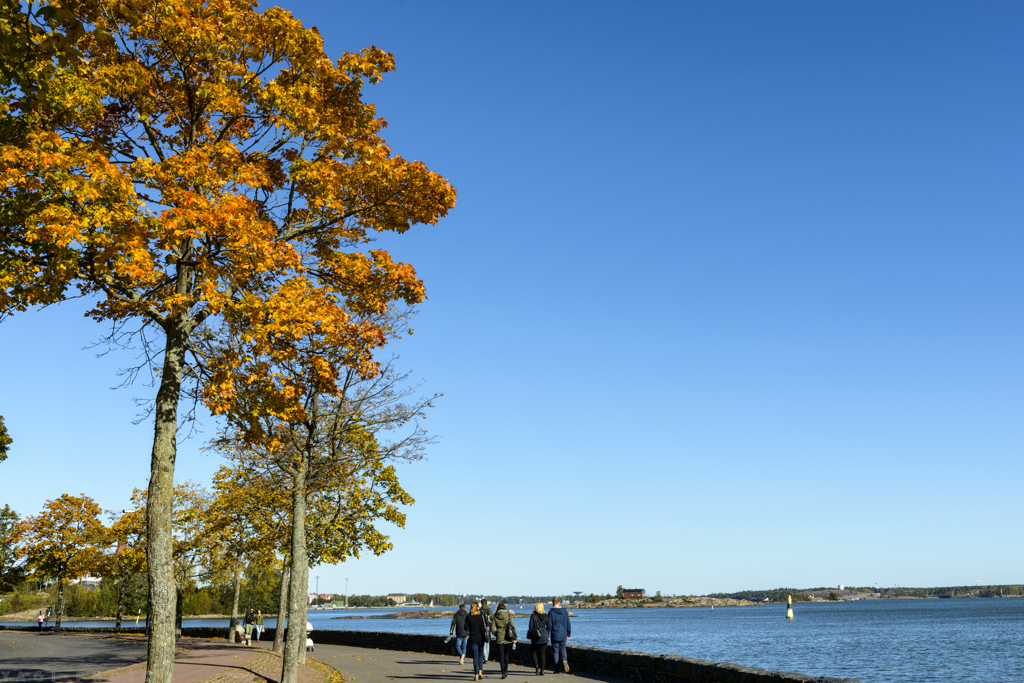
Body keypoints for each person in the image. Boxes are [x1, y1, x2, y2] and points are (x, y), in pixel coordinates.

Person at [492, 602, 518, 679]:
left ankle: (503, 672)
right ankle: (506, 670)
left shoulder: (495, 616)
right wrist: (515, 637)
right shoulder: (509, 615)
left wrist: (497, 634)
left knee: (501, 656)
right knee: (506, 654)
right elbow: (513, 627)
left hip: (500, 637)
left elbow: (492, 629)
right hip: (508, 637)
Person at [466, 602, 489, 681]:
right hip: (481, 638)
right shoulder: (481, 616)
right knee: (480, 655)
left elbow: (465, 628)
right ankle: (480, 672)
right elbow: (484, 627)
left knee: (475, 656)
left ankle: (475, 674)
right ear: (477, 607)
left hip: (473, 638)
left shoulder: (468, 617)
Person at [548, 598, 572, 673]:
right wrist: (568, 634)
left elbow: (549, 625)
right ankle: (564, 660)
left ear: (552, 603)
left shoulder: (551, 612)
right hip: (563, 634)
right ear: (559, 603)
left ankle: (556, 669)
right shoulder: (564, 612)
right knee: (563, 649)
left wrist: (548, 635)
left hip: (555, 634)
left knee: (555, 651)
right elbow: (568, 623)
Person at [527, 602, 550, 676]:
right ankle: (542, 670)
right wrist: (544, 630)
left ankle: (537, 667)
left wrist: (535, 630)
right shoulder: (546, 615)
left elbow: (530, 626)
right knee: (542, 654)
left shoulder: (533, 615)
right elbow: (549, 626)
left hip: (536, 636)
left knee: (533, 652)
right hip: (544, 635)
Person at [480, 599, 494, 667]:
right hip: (489, 629)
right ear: (487, 603)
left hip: (481, 629)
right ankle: (486, 658)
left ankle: (484, 656)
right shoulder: (490, 611)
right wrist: (492, 630)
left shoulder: (480, 611)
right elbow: (493, 621)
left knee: (482, 643)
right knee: (487, 643)